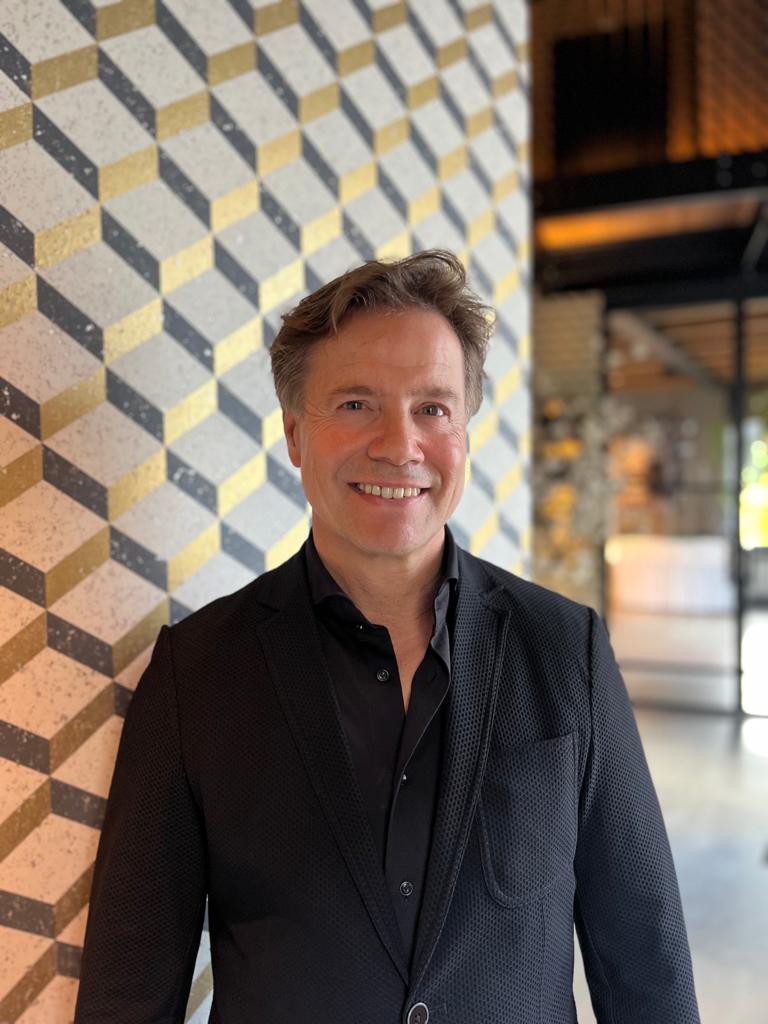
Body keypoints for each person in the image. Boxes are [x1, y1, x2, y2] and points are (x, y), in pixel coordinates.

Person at [74, 250, 700, 1024]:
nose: (400, 445)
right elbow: (128, 992)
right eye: (356, 404)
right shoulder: (195, 672)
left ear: (464, 431)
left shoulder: (566, 650)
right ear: (295, 434)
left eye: (432, 408)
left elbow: (645, 963)